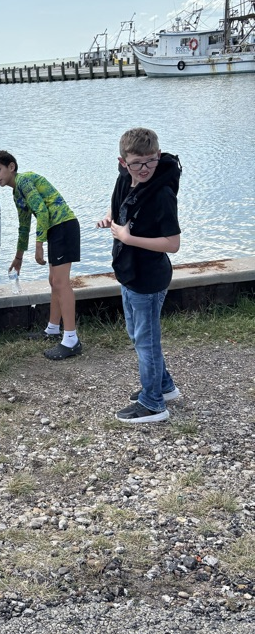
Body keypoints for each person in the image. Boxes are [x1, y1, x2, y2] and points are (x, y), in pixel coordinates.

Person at [97, 128, 182, 424]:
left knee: (146, 341)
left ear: (158, 155)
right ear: (123, 162)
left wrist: (128, 237)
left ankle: (154, 404)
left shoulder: (162, 195)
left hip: (149, 277)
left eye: (150, 161)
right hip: (128, 272)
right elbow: (122, 202)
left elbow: (173, 244)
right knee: (136, 334)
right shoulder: (125, 178)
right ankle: (164, 386)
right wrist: (110, 216)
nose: (144, 169)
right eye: (137, 163)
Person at [0, 150, 81, 360]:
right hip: (56, 229)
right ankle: (52, 330)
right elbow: (23, 225)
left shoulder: (25, 180)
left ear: (12, 167)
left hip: (64, 226)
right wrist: (18, 257)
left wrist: (39, 245)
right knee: (54, 281)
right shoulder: (16, 192)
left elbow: (43, 211)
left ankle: (71, 339)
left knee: (61, 283)